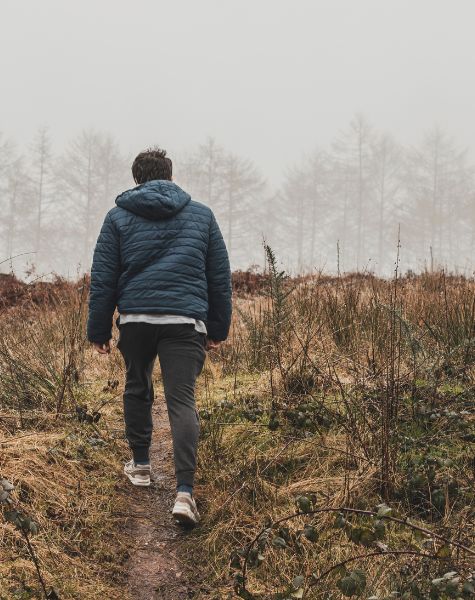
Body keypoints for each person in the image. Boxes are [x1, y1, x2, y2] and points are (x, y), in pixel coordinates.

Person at [86, 147, 232, 526]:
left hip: (135, 319)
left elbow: (103, 277)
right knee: (182, 400)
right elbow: (219, 277)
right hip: (185, 321)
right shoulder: (202, 215)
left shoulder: (117, 217)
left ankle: (142, 466)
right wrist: (217, 328)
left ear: (136, 178)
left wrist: (99, 329)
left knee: (137, 385)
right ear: (169, 175)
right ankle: (184, 493)